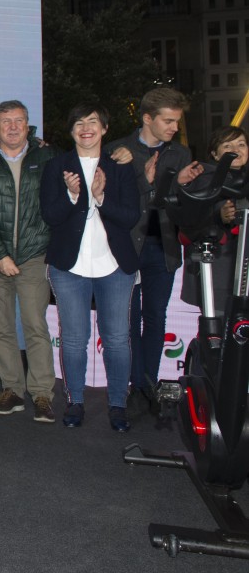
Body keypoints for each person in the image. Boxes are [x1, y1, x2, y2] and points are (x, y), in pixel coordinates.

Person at [41, 103, 141, 432]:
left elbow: (130, 217)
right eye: (79, 123)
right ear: (71, 131)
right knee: (73, 339)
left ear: (104, 128)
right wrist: (73, 195)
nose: (86, 128)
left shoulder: (120, 165)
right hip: (69, 266)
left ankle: (118, 404)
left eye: (93, 122)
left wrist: (100, 197)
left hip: (115, 265)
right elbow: (50, 216)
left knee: (117, 338)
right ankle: (75, 401)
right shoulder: (57, 166)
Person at [107, 87, 200, 412]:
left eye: (177, 121)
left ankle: (148, 383)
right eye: (168, 121)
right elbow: (111, 200)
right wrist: (145, 180)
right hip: (126, 247)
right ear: (147, 118)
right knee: (128, 321)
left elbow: (181, 205)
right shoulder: (117, 150)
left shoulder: (181, 154)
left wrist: (183, 187)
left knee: (156, 317)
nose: (174, 127)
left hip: (163, 247)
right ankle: (136, 385)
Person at [0, 101, 58, 423]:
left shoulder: (48, 157)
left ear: (28, 125)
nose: (12, 127)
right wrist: (0, 255)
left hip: (34, 256)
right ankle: (12, 389)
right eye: (6, 121)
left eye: (19, 121)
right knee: (1, 327)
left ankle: (42, 393)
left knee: (36, 325)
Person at [179, 126, 249, 315]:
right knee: (217, 326)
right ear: (215, 154)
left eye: (241, 144)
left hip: (244, 272)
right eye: (228, 146)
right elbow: (190, 219)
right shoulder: (204, 178)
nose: (236, 150)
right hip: (217, 271)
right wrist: (219, 215)